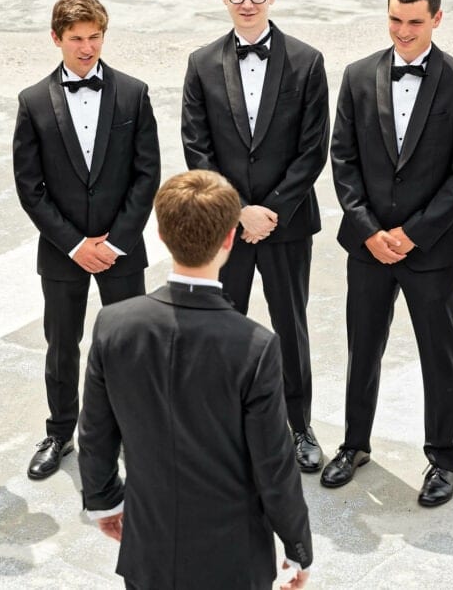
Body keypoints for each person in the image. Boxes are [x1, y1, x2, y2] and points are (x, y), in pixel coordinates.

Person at [79, 170, 313, 590]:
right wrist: (297, 548)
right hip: (233, 559)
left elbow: (95, 431)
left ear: (161, 235)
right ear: (228, 239)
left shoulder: (113, 324)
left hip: (148, 548)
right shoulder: (255, 345)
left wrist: (104, 503)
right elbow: (274, 466)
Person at [326, 0, 453, 507]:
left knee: (439, 353)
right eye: (395, 19)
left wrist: (412, 234)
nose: (403, 31)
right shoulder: (355, 76)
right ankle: (354, 444)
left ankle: (444, 460)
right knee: (362, 346)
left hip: (433, 248)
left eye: (415, 22)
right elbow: (343, 161)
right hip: (367, 247)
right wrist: (370, 232)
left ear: (437, 19)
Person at [181, 0, 330, 473]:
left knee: (291, 325)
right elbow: (196, 149)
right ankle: (222, 429)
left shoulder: (308, 62)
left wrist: (271, 211)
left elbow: (313, 149)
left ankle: (299, 426)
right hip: (225, 226)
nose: (248, 2)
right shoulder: (201, 64)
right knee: (223, 328)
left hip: (287, 224)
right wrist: (238, 211)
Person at [13, 0, 160, 480]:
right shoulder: (33, 102)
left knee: (127, 345)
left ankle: (132, 433)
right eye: (76, 38)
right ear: (56, 39)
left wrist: (115, 242)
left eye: (94, 36)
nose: (86, 47)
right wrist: (75, 245)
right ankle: (59, 433)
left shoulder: (134, 94)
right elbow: (29, 187)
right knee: (61, 344)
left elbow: (146, 175)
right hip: (62, 252)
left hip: (123, 249)